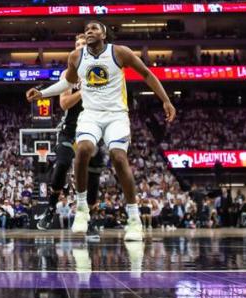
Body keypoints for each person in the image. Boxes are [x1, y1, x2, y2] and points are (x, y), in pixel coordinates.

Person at [62, 20, 176, 242]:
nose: (89, 31)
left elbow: (146, 74)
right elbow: (66, 84)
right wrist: (42, 93)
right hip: (91, 114)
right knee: (83, 149)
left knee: (118, 156)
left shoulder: (120, 52)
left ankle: (134, 220)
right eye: (87, 29)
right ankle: (82, 208)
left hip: (116, 115)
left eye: (94, 28)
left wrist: (166, 100)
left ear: (104, 34)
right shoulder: (76, 57)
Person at [25, 35, 106, 237]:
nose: (80, 48)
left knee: (93, 176)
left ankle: (91, 219)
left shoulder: (100, 71)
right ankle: (50, 210)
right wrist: (84, 90)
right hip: (70, 128)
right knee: (61, 164)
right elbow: (64, 104)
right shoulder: (68, 74)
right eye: (77, 45)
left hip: (94, 127)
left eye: (83, 45)